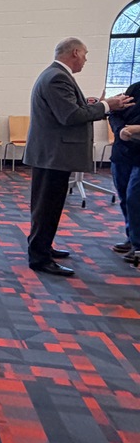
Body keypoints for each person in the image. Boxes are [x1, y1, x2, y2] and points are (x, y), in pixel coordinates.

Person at [24, 37, 133, 277]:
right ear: (74, 52)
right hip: (53, 155)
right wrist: (107, 106)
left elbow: (69, 108)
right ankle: (39, 257)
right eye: (84, 55)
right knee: (47, 207)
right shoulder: (57, 77)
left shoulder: (55, 75)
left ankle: (43, 246)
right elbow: (70, 116)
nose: (85, 60)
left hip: (52, 154)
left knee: (47, 206)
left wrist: (91, 103)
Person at [108, 80, 140, 262]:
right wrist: (120, 130)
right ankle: (133, 237)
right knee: (125, 199)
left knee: (134, 197)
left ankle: (138, 246)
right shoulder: (135, 89)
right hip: (123, 152)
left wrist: (137, 129)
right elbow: (115, 113)